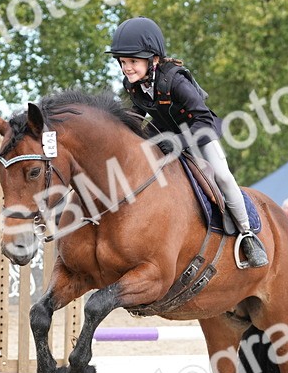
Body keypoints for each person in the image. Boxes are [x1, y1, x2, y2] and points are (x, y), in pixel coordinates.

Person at [106, 16, 268, 268]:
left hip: (199, 133)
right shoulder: (133, 84)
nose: (127, 68)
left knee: (223, 177)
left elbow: (203, 119)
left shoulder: (176, 80)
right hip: (165, 137)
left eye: (133, 61)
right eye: (123, 62)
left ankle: (247, 234)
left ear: (154, 60)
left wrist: (180, 141)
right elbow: (136, 116)